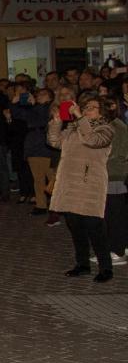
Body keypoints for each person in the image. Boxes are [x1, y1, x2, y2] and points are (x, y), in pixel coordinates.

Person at [48, 95, 115, 282]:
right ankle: (82, 264)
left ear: (102, 112)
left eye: (92, 107)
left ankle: (106, 268)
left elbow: (92, 140)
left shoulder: (106, 129)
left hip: (90, 184)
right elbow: (54, 142)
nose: (87, 110)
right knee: (75, 227)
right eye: (85, 107)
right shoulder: (74, 128)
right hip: (70, 183)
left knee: (95, 228)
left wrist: (79, 117)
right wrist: (56, 122)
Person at [14, 87, 57, 216]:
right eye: (38, 94)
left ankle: (57, 205)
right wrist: (15, 102)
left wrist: (33, 105)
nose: (39, 96)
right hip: (33, 146)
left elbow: (43, 118)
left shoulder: (51, 108)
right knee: (38, 179)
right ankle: (41, 205)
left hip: (46, 147)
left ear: (50, 97)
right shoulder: (34, 108)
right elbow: (19, 115)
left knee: (52, 178)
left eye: (43, 94)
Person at [104, 108, 128, 265]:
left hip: (115, 174)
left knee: (115, 215)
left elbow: (119, 153)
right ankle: (118, 248)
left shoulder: (117, 127)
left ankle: (118, 251)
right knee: (112, 214)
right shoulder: (113, 125)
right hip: (111, 174)